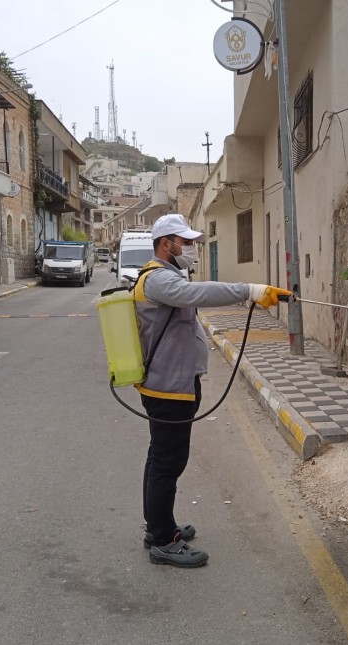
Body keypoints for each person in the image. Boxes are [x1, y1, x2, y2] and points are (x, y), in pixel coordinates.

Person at [134, 214, 292, 568]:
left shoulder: (167, 277)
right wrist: (250, 291)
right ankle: (162, 539)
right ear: (166, 244)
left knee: (161, 458)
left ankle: (159, 525)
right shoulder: (158, 279)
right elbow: (199, 293)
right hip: (168, 388)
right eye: (185, 242)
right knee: (167, 462)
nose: (190, 248)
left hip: (174, 384)